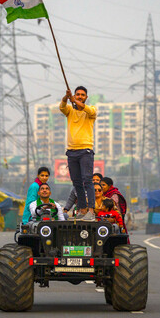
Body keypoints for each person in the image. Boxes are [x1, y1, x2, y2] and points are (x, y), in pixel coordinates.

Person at [60, 86, 97, 221]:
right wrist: (67, 97)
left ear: (86, 97)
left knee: (87, 180)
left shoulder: (91, 110)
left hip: (85, 150)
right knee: (76, 183)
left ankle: (91, 211)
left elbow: (85, 108)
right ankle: (82, 210)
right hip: (71, 151)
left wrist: (75, 100)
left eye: (82, 95)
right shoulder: (70, 110)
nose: (80, 96)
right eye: (77, 94)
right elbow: (62, 107)